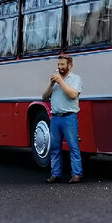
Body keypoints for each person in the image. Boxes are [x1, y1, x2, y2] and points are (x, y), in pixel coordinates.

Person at [41, 54, 83, 184]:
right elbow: (44, 97)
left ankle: (76, 174)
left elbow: (72, 94)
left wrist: (60, 81)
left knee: (73, 147)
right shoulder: (56, 80)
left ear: (70, 65)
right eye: (58, 65)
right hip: (55, 118)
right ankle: (56, 174)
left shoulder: (76, 79)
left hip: (69, 117)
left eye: (62, 65)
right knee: (54, 148)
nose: (59, 67)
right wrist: (51, 84)